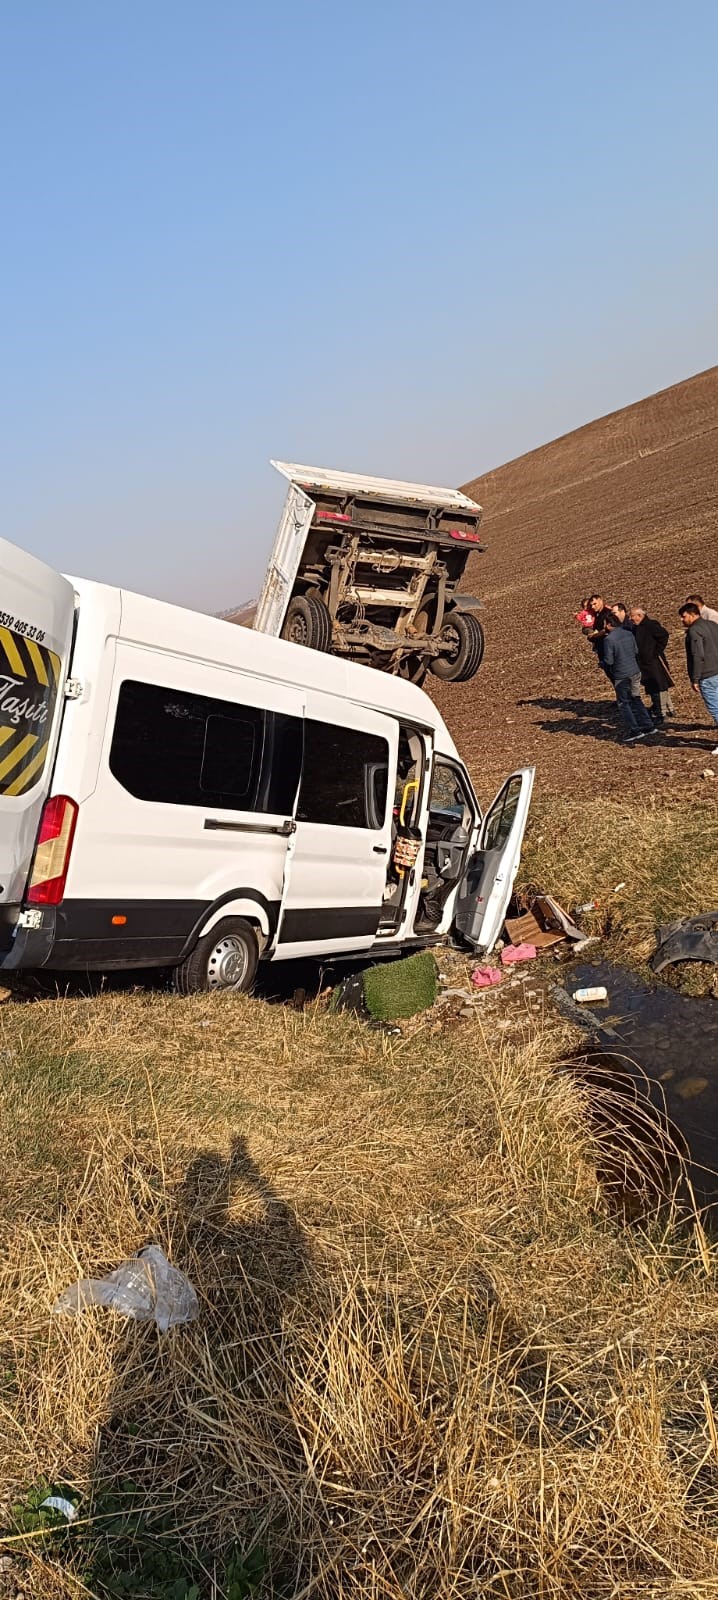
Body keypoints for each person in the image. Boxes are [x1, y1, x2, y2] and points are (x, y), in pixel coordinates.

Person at [602, 616, 655, 742]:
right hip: (635, 671)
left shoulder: (609, 639)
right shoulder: (628, 633)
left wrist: (602, 663)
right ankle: (648, 725)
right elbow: (635, 651)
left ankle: (634, 730)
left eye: (605, 624)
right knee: (636, 698)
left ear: (609, 624)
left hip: (621, 675)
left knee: (624, 703)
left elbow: (609, 660)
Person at [678, 603, 718, 753]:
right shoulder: (713, 625)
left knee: (716, 709)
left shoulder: (694, 631)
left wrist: (695, 678)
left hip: (708, 675)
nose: (682, 620)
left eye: (684, 616)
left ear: (693, 614)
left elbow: (697, 655)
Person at [629, 606, 676, 723]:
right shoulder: (636, 628)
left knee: (659, 687)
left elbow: (664, 635)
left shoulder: (651, 625)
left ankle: (662, 713)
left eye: (632, 616)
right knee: (654, 687)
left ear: (640, 616)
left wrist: (656, 651)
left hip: (654, 662)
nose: (630, 618)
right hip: (644, 663)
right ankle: (669, 709)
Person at [586, 594, 613, 674]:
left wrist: (594, 636)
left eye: (595, 604)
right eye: (591, 605)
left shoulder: (608, 613)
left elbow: (608, 629)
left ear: (601, 601)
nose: (593, 607)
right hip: (601, 647)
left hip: (608, 648)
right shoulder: (596, 615)